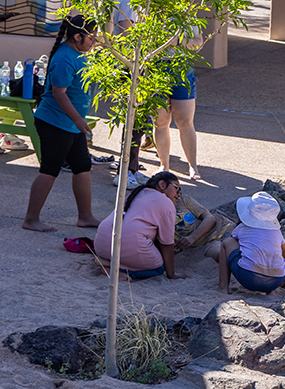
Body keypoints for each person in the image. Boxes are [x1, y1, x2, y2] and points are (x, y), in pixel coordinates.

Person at [22, 15, 101, 232]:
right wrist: (78, 119)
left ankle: (85, 216)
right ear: (77, 37)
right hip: (54, 122)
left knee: (82, 167)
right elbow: (59, 93)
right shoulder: (65, 58)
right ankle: (31, 219)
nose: (94, 41)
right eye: (92, 37)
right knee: (50, 169)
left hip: (71, 125)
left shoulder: (79, 54)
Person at [93, 172, 187, 281]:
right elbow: (166, 243)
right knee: (159, 269)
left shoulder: (135, 193)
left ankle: (107, 261)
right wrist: (171, 274)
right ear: (162, 184)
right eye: (176, 188)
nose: (178, 194)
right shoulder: (166, 202)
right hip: (126, 245)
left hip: (101, 245)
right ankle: (116, 269)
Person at [153, 24, 203, 181]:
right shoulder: (150, 14)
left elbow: (198, 41)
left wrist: (178, 40)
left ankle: (193, 166)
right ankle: (164, 165)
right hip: (156, 67)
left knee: (185, 121)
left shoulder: (188, 16)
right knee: (160, 122)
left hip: (182, 67)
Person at [213, 192, 285, 294]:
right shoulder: (276, 231)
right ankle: (271, 292)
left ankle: (223, 287)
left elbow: (232, 244)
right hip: (277, 280)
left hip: (249, 277)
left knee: (227, 243)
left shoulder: (242, 227)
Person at [111, 0, 150, 190]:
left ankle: (132, 168)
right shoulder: (128, 3)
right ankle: (124, 171)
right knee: (132, 121)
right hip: (130, 66)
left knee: (140, 122)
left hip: (140, 65)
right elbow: (127, 34)